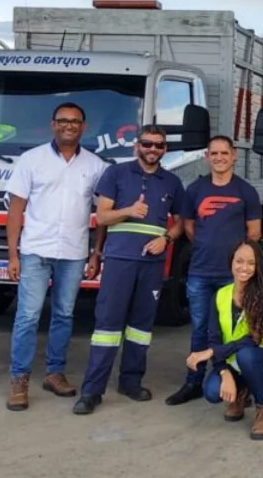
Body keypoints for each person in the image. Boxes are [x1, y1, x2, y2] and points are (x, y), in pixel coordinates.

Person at [72, 125, 186, 415]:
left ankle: (131, 382)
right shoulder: (116, 174)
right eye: (147, 144)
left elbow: (180, 222)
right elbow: (102, 216)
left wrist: (166, 238)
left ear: (165, 150)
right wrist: (129, 212)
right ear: (137, 146)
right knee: (107, 327)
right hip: (120, 260)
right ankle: (91, 391)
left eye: (158, 145)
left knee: (141, 327)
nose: (152, 149)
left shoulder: (172, 181)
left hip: (152, 263)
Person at [4, 102, 108, 411]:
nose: (69, 125)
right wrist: (12, 254)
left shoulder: (95, 165)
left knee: (64, 315)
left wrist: (96, 252)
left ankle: (54, 372)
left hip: (74, 252)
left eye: (75, 121)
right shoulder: (31, 160)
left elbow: (102, 213)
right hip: (35, 250)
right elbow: (16, 209)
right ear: (53, 125)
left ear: (83, 127)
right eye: (63, 120)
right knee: (27, 316)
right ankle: (19, 379)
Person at [165, 135, 263, 406]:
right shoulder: (195, 189)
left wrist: (238, 265)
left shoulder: (245, 191)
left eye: (224, 153)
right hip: (200, 272)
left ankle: (236, 381)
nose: (219, 158)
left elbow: (253, 233)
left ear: (234, 156)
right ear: (207, 157)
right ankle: (193, 382)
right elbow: (188, 227)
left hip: (233, 278)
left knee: (233, 330)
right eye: (213, 153)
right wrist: (209, 247)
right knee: (199, 330)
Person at [186, 240, 263, 440]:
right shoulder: (221, 295)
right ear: (231, 262)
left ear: (258, 267)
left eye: (251, 263)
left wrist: (213, 353)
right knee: (212, 392)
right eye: (239, 261)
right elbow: (214, 339)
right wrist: (224, 372)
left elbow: (252, 341)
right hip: (233, 360)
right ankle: (241, 392)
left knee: (246, 355)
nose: (244, 268)